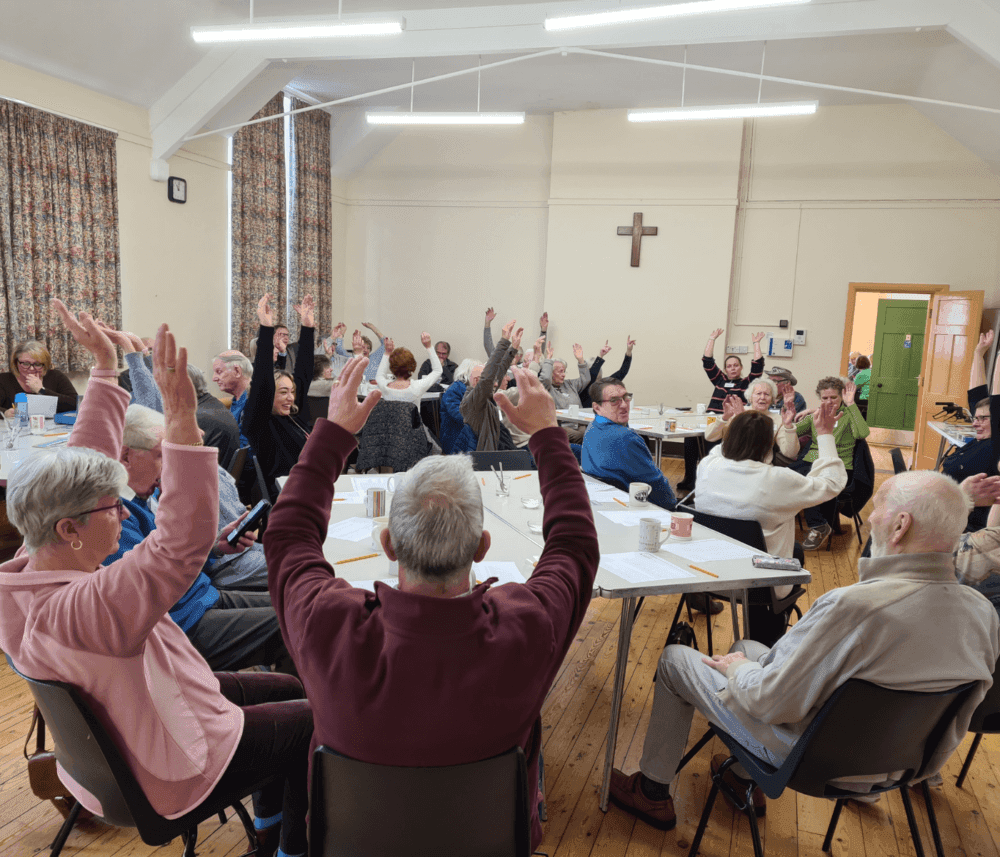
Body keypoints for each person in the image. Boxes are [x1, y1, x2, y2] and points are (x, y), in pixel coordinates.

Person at [0, 303, 311, 857]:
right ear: (70, 528)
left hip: (159, 702)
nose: (124, 515)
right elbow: (178, 546)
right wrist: (181, 420)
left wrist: (103, 365)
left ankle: (269, 831)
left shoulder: (31, 564)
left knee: (288, 690)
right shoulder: (83, 610)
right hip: (170, 759)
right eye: (110, 509)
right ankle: (282, 850)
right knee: (311, 723)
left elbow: (87, 460)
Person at [263, 356, 600, 853]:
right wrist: (548, 435)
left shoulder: (327, 625)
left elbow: (288, 538)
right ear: (483, 548)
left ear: (389, 544)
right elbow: (573, 546)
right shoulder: (527, 629)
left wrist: (333, 434)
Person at [610, 469, 999, 830]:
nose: (873, 516)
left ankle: (652, 792)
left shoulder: (854, 608)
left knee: (677, 659)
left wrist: (737, 670)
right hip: (899, 768)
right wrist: (745, 661)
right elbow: (960, 716)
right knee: (748, 645)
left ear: (900, 526)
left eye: (878, 506)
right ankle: (742, 777)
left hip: (810, 760)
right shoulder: (983, 615)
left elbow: (769, 702)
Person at [105, 402, 294, 674]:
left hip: (201, 598)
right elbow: (154, 587)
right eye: (160, 456)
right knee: (300, 622)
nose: (166, 468)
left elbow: (170, 563)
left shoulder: (141, 497)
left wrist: (214, 548)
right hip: (181, 626)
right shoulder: (116, 515)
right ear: (125, 456)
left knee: (301, 605)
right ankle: (285, 701)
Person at [695, 405, 847, 644]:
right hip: (759, 582)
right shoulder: (776, 480)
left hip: (709, 574)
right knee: (793, 553)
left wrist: (738, 422)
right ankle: (764, 639)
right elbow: (831, 483)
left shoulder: (707, 466)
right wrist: (825, 433)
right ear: (768, 446)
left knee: (784, 550)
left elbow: (718, 450)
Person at [678, 328, 765, 493]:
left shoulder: (746, 383)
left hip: (727, 424)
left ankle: (710, 481)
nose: (732, 368)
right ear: (725, 369)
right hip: (709, 420)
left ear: (740, 368)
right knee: (690, 439)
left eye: (735, 365)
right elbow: (707, 361)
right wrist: (712, 339)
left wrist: (756, 344)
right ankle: (690, 478)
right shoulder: (720, 380)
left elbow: (758, 367)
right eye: (729, 366)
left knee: (710, 441)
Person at [243, 293, 316, 487]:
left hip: (309, 485)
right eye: (283, 392)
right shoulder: (261, 423)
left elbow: (303, 375)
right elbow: (261, 381)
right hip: (285, 497)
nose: (290, 398)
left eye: (291, 392)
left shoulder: (292, 416)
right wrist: (266, 329)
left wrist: (308, 328)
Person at [793, 377, 870, 550]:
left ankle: (819, 526)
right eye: (824, 398)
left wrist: (851, 404)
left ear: (842, 396)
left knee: (812, 483)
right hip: (811, 461)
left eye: (833, 398)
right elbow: (794, 431)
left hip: (840, 466)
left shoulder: (849, 415)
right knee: (783, 477)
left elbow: (863, 432)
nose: (829, 402)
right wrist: (789, 421)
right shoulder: (816, 415)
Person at [582, 377, 677, 511]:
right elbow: (655, 484)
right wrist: (673, 508)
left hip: (604, 505)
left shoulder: (592, 427)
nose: (624, 405)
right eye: (614, 400)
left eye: (626, 397)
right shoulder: (625, 438)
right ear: (597, 407)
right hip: (635, 507)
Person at [941, 331, 1000, 532]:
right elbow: (977, 394)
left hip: (966, 528)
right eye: (976, 418)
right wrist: (979, 353)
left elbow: (997, 399)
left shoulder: (995, 447)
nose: (976, 423)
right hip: (946, 510)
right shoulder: (981, 438)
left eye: (984, 418)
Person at [460, 320, 522, 452]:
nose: (496, 383)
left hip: (508, 449)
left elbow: (497, 373)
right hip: (499, 457)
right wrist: (504, 341)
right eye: (491, 381)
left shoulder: (485, 397)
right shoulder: (472, 403)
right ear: (478, 381)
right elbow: (489, 377)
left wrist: (513, 349)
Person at [704, 379, 799, 459]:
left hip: (760, 466)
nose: (762, 397)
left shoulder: (778, 419)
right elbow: (710, 436)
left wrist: (788, 425)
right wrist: (725, 417)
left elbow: (790, 453)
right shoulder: (736, 411)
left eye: (767, 394)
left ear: (772, 399)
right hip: (731, 462)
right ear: (750, 398)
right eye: (758, 393)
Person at [0, 340, 78, 415]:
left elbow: (75, 403)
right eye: (25, 364)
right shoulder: (3, 380)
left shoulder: (56, 376)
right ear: (16, 363)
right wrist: (5, 413)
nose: (31, 369)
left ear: (45, 364)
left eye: (37, 364)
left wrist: (41, 390)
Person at [376, 332, 442, 403]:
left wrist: (387, 352)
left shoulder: (384, 387)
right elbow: (438, 370)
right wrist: (429, 347)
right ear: (412, 367)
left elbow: (379, 375)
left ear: (391, 369)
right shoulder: (417, 387)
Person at [211, 349, 253, 446]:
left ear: (237, 371)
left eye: (219, 371)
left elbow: (245, 450)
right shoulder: (237, 400)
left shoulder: (251, 403)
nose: (214, 378)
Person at [580, 337, 634, 408]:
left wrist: (629, 351)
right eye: (591, 369)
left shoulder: (604, 383)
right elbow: (592, 374)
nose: (596, 371)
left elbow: (622, 371)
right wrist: (601, 356)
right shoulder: (581, 385)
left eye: (598, 368)